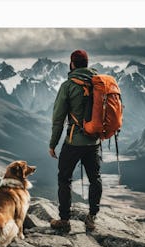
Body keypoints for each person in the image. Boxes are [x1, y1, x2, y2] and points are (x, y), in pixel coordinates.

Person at [49, 49, 102, 232]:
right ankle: (92, 218)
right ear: (87, 64)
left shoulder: (68, 85)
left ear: (72, 64)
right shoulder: (98, 83)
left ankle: (64, 220)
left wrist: (53, 144)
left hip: (74, 142)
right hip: (94, 141)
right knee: (95, 179)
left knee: (64, 179)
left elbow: (58, 119)